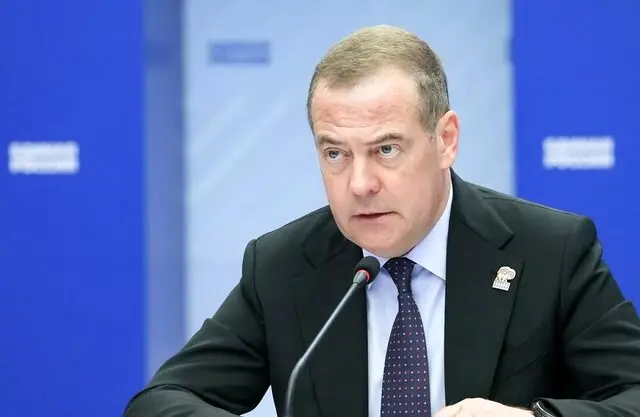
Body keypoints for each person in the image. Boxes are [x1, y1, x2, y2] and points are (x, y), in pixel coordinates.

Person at [123, 25, 640, 417]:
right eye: (335, 153)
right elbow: (161, 401)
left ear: (446, 140)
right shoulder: (283, 266)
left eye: (386, 149)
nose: (359, 184)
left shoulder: (549, 251)